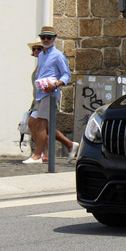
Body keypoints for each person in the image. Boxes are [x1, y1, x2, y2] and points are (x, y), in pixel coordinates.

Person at [22, 27, 79, 164]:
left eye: (49, 37)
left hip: (51, 93)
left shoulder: (58, 55)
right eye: (43, 37)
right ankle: (69, 145)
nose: (46, 40)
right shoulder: (42, 55)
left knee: (41, 123)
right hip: (40, 95)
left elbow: (67, 75)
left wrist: (54, 85)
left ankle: (37, 155)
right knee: (37, 123)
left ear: (54, 38)